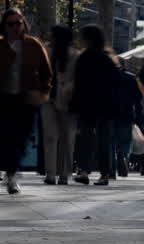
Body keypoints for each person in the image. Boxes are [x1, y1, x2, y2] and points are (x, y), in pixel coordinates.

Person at [0, 9, 52, 195]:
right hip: (4, 99)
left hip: (27, 99)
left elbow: (47, 73)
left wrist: (43, 92)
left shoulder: (33, 45)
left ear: (24, 24)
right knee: (7, 138)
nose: (15, 27)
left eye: (18, 23)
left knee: (21, 138)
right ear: (4, 26)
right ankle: (11, 175)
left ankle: (12, 171)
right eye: (11, 24)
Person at [69, 25, 120, 187]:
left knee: (86, 139)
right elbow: (115, 85)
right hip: (105, 105)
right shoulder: (108, 59)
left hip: (88, 104)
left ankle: (84, 171)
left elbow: (79, 84)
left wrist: (75, 105)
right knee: (104, 140)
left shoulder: (84, 58)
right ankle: (104, 174)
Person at [41, 25, 77, 186]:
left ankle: (63, 175)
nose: (50, 38)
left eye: (52, 35)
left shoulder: (74, 55)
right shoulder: (46, 51)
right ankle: (50, 173)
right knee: (49, 137)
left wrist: (70, 87)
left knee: (67, 139)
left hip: (68, 102)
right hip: (48, 98)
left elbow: (80, 78)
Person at [112, 66, 144, 178]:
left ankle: (112, 166)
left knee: (112, 142)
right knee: (126, 141)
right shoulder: (131, 78)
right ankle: (124, 157)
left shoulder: (109, 77)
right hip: (127, 114)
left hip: (111, 115)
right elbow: (138, 98)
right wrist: (139, 116)